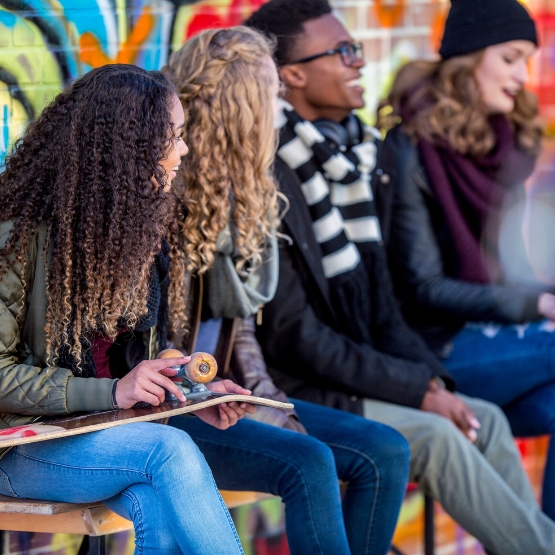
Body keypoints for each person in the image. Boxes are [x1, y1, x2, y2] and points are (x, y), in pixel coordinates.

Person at [246, 1, 555, 553]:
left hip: (372, 366)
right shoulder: (272, 175)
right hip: (305, 388)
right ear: (291, 74)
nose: (359, 63)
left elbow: (382, 305)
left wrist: (426, 383)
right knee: (440, 433)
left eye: (358, 50)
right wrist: (418, 387)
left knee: (485, 420)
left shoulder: (355, 157)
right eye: (344, 52)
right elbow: (295, 334)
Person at [164, 26, 410, 555]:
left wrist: (272, 404)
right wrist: (255, 407)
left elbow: (239, 330)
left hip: (231, 392)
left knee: (383, 451)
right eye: (271, 95)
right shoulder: (171, 195)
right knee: (311, 461)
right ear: (242, 108)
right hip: (180, 403)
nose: (280, 109)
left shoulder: (248, 190)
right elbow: (158, 339)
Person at [0, 64, 253, 555]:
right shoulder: (17, 234)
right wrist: (112, 390)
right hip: (14, 446)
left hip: (90, 434)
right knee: (169, 450)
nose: (183, 150)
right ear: (124, 149)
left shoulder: (131, 232)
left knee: (154, 505)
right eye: (172, 136)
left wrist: (187, 387)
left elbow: (128, 370)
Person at [376, 0, 555, 521]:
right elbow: (425, 287)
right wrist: (536, 304)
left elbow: (512, 267)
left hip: (491, 336)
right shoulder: (409, 148)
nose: (524, 76)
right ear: (468, 58)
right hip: (433, 350)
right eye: (511, 58)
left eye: (528, 60)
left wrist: (538, 295)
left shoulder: (506, 143)